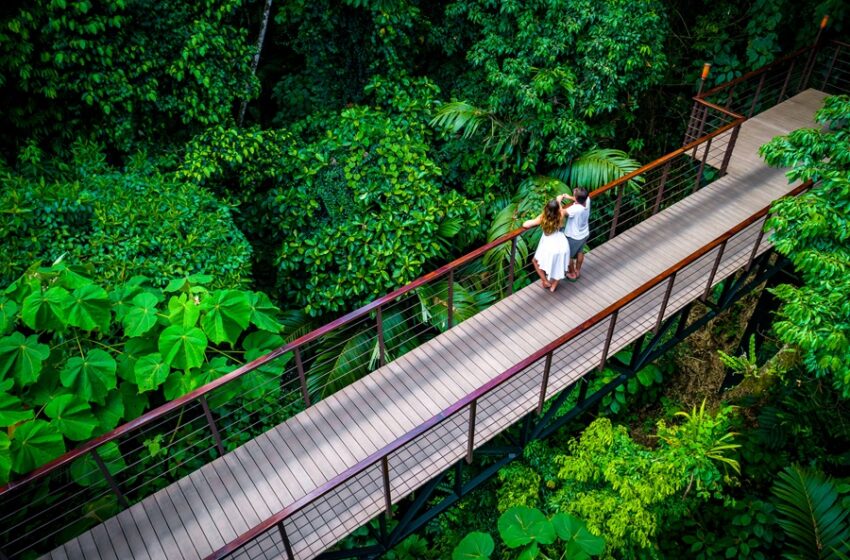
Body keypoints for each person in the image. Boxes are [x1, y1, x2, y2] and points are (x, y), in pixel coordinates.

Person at [522, 195, 571, 292]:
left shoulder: (542, 218)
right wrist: (559, 200)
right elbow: (560, 209)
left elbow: (525, 224)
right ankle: (554, 285)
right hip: (561, 243)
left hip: (548, 244)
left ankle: (545, 281)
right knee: (560, 263)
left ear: (546, 208)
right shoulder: (560, 215)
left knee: (535, 261)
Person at [562, 188, 590, 281]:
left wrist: (558, 200)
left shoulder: (574, 209)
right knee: (580, 252)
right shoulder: (587, 200)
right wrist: (568, 197)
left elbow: (562, 212)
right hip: (584, 233)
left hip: (574, 237)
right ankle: (577, 271)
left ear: (576, 197)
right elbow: (579, 199)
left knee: (568, 255)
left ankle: (572, 274)